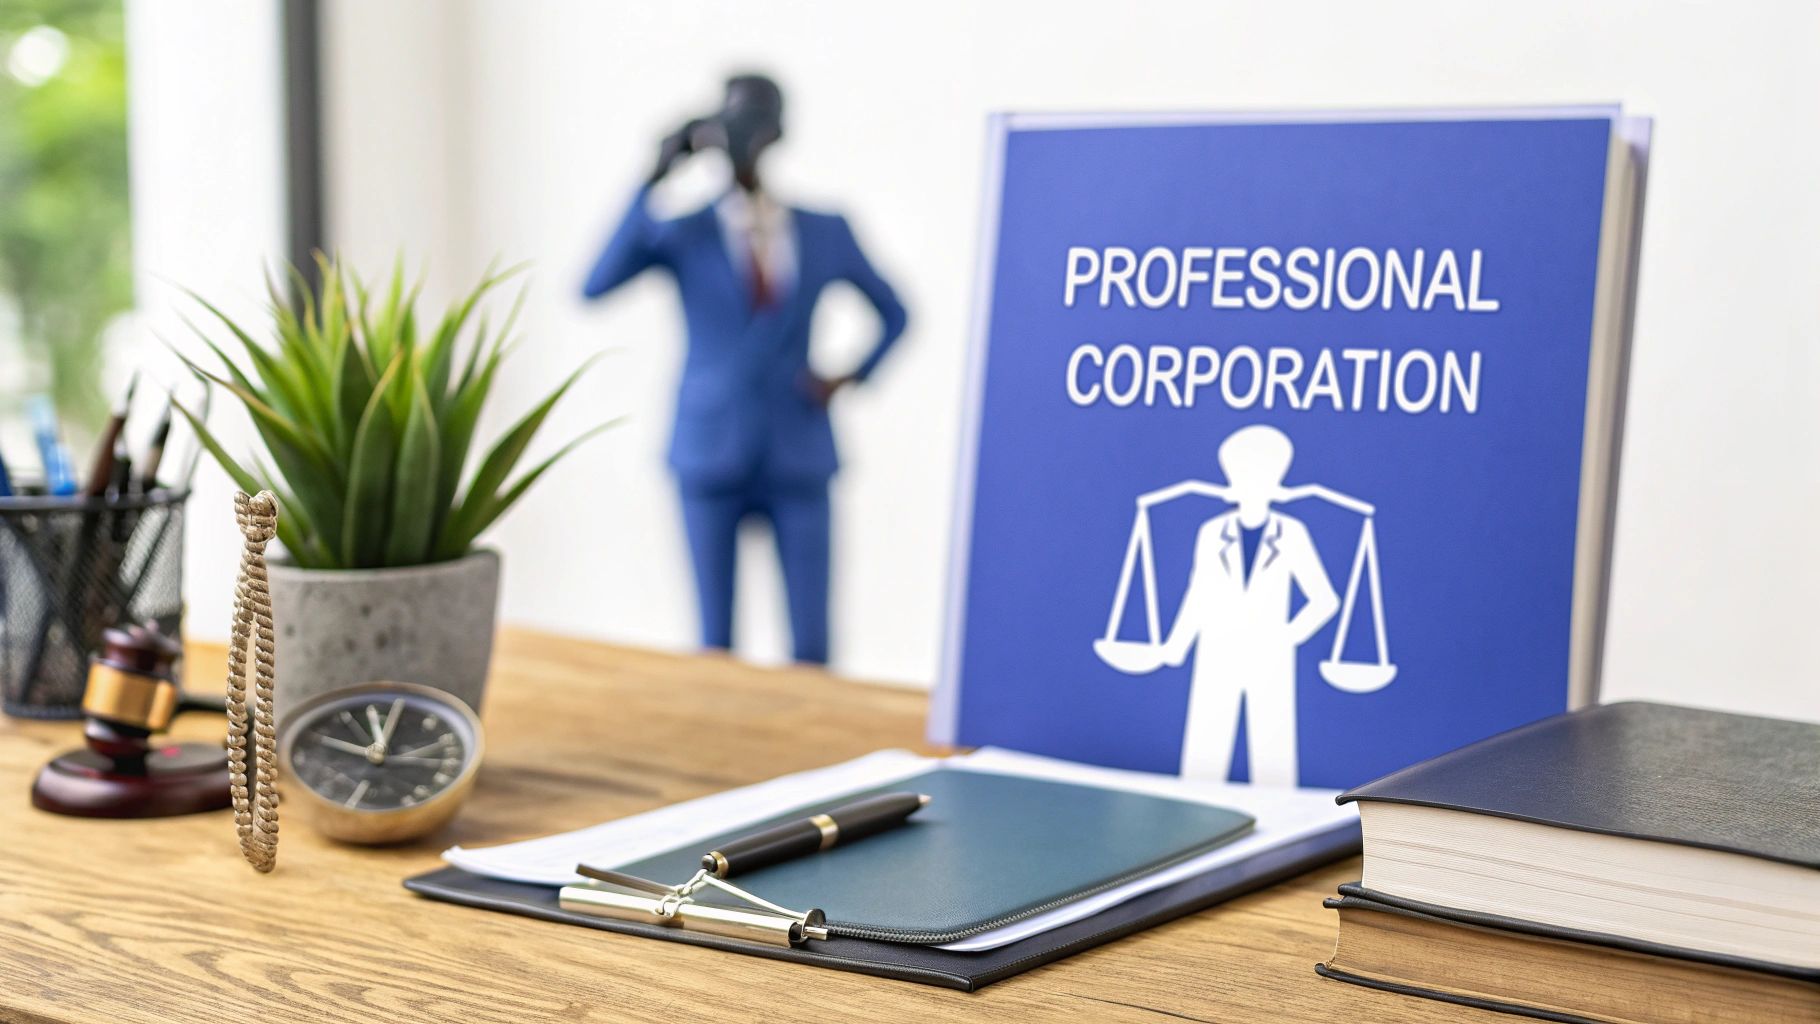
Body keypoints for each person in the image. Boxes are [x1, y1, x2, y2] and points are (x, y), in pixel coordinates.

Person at [582, 74, 908, 664]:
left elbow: (896, 312)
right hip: (710, 448)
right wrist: (652, 176)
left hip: (798, 444)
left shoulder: (823, 229)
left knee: (812, 644)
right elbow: (595, 284)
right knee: (714, 643)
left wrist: (848, 376)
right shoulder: (687, 231)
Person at [1158, 425, 1339, 785]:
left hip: (1269, 661)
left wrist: (1285, 637)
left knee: (1274, 769)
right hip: (1216, 656)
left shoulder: (1291, 534)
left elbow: (1325, 599)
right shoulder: (1212, 532)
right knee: (1202, 767)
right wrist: (1175, 648)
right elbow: (1198, 594)